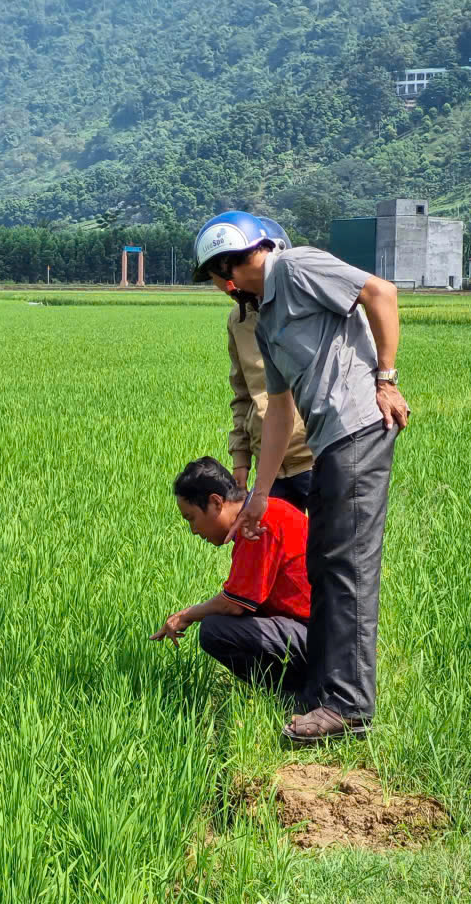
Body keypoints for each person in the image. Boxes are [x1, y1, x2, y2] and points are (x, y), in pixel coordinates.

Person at [192, 211, 409, 744]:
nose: (220, 286)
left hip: (358, 427)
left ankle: (349, 706)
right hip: (328, 442)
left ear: (231, 266)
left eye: (218, 274)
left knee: (347, 568)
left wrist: (386, 379)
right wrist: (259, 495)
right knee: (325, 565)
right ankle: (325, 692)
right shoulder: (265, 322)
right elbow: (279, 412)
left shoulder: (295, 266)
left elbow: (381, 293)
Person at [150, 457, 312, 700]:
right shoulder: (263, 515)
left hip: (321, 637)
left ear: (216, 502)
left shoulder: (257, 525)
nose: (193, 530)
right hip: (319, 630)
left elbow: (233, 604)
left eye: (191, 518)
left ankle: (297, 695)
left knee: (215, 630)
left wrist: (186, 615)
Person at [226, 216, 315, 511]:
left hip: (313, 458)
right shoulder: (238, 320)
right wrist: (240, 458)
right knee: (268, 538)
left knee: (327, 539)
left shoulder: (303, 306)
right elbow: (242, 393)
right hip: (270, 467)